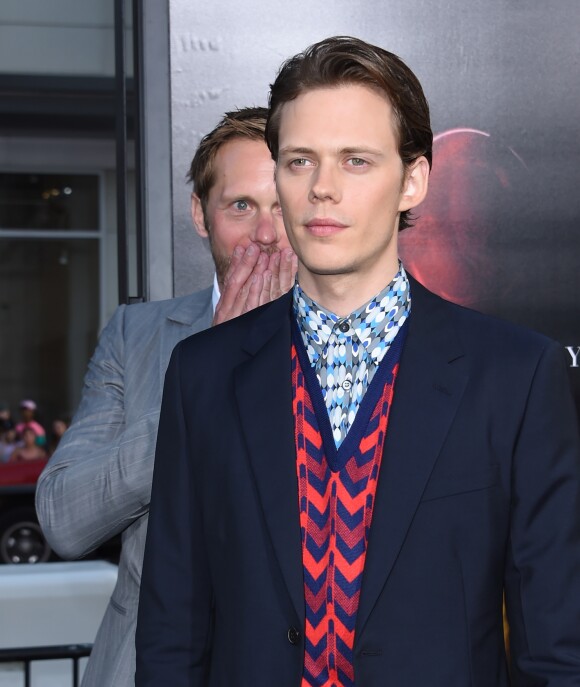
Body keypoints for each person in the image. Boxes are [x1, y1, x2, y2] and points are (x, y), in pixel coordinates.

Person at [135, 37, 580, 686]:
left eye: (356, 161)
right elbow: (173, 634)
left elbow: (557, 650)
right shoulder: (202, 376)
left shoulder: (515, 376)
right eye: (299, 161)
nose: (322, 188)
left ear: (413, 180)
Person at [35, 107, 297, 687]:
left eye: (282, 204)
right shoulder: (138, 336)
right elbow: (64, 519)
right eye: (241, 206)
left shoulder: (360, 338)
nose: (266, 234)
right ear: (200, 216)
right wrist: (207, 382)